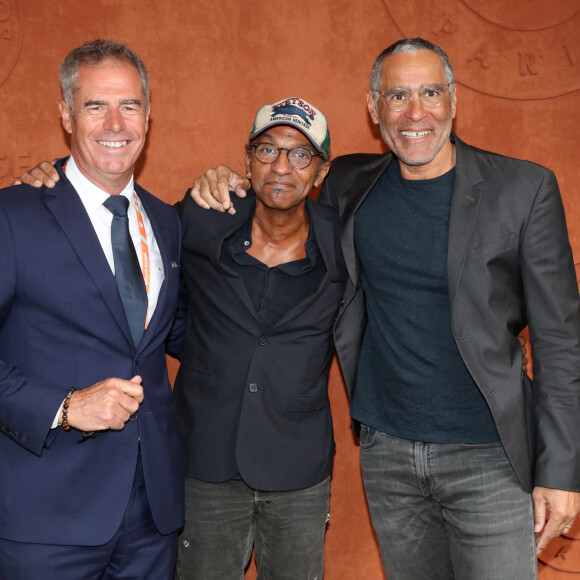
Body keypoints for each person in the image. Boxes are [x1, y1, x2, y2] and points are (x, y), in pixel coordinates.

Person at [184, 38, 580, 579]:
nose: (415, 113)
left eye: (430, 93)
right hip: (388, 456)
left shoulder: (524, 189)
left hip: (490, 458)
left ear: (453, 100)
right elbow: (280, 185)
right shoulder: (349, 181)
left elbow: (561, 341)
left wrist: (560, 471)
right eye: (397, 96)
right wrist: (226, 178)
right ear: (374, 108)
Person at [18, 97, 346, 579]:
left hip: (299, 467)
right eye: (267, 149)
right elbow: (135, 265)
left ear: (321, 171)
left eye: (300, 155)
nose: (281, 166)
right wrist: (53, 179)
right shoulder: (194, 219)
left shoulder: (343, 240)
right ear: (247, 158)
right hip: (204, 461)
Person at [0, 39, 186, 579]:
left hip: (153, 515)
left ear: (148, 117)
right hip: (45, 519)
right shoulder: (13, 216)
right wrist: (63, 406)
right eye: (94, 105)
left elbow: (172, 333)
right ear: (65, 113)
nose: (115, 123)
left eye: (129, 106)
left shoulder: (167, 222)